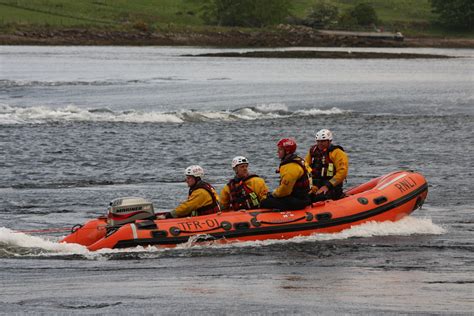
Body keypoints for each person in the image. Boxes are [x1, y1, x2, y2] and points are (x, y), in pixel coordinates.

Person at [260, 138, 311, 210]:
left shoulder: (291, 167)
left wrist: (273, 194)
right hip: (305, 196)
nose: (277, 151)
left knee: (265, 202)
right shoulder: (299, 160)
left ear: (287, 151)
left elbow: (285, 191)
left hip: (298, 200)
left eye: (280, 149)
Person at [305, 129, 348, 202]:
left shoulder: (337, 153)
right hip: (315, 185)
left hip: (332, 186)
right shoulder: (313, 151)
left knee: (320, 197)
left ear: (329, 141)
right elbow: (306, 167)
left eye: (323, 141)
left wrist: (327, 186)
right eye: (318, 141)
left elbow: (342, 172)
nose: (320, 144)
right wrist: (311, 186)